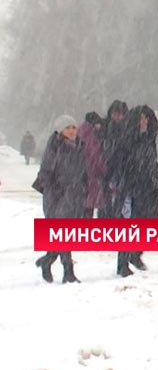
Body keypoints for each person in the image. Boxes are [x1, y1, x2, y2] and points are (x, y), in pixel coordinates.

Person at [32, 115, 86, 283]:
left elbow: (81, 171)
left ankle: (47, 261)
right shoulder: (55, 146)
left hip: (73, 195)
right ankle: (68, 271)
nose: (71, 131)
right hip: (57, 197)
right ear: (60, 130)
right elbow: (45, 172)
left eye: (73, 127)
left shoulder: (79, 146)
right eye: (67, 127)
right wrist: (56, 190)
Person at [113, 105, 158, 277]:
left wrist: (155, 182)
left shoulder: (148, 140)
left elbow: (152, 164)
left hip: (147, 189)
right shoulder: (127, 141)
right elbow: (120, 164)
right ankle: (123, 262)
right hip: (131, 189)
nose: (144, 122)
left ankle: (136, 253)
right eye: (141, 119)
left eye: (146, 119)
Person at [78, 112, 107, 217]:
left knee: (84, 208)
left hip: (81, 176)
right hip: (91, 176)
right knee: (89, 207)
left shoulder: (81, 132)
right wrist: (104, 170)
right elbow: (95, 156)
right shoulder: (91, 135)